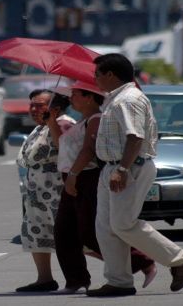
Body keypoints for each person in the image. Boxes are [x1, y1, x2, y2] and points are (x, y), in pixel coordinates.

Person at [87, 53, 183, 297]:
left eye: (97, 75)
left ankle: (180, 260)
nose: (94, 80)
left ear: (110, 75)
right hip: (112, 167)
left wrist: (123, 169)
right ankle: (119, 281)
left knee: (123, 224)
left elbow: (135, 136)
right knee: (105, 228)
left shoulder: (128, 99)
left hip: (129, 167)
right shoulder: (114, 99)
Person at [46, 81, 156, 295]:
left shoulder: (96, 119)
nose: (71, 98)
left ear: (89, 97)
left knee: (90, 231)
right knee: (64, 231)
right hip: (72, 175)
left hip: (85, 177)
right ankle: (75, 280)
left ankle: (142, 261)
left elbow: (87, 151)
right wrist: (52, 123)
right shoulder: (81, 121)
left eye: (76, 94)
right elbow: (63, 147)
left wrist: (73, 177)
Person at [15, 89, 75, 292]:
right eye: (31, 105)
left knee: (70, 237)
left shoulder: (63, 123)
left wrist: (52, 123)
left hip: (58, 192)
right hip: (36, 194)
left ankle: (136, 262)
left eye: (39, 105)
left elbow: (65, 148)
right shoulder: (39, 128)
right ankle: (44, 279)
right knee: (37, 234)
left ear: (55, 108)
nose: (33, 109)